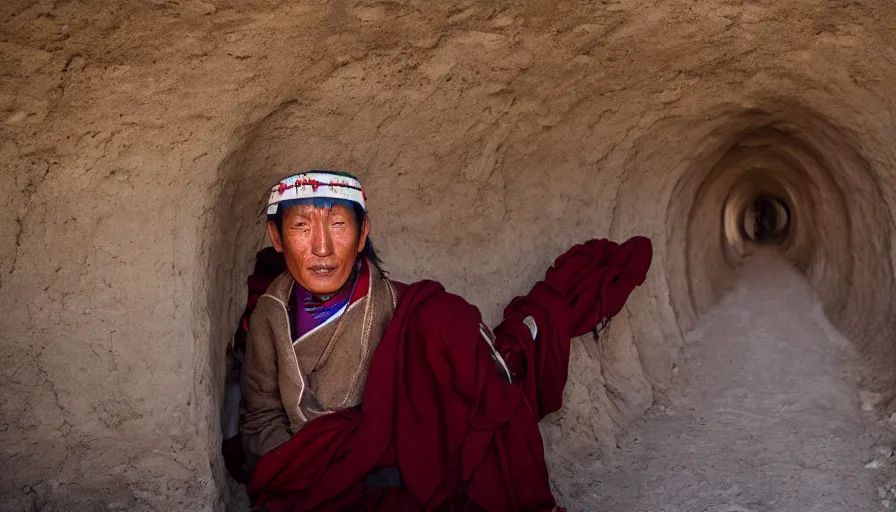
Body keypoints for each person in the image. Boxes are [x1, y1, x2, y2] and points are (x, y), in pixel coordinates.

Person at [227, 170, 654, 511]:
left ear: (361, 235)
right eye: (302, 225)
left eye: (338, 224)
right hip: (315, 467)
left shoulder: (411, 309)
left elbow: (455, 404)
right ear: (277, 238)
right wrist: (301, 467)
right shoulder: (270, 313)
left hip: (391, 466)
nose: (321, 246)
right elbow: (260, 415)